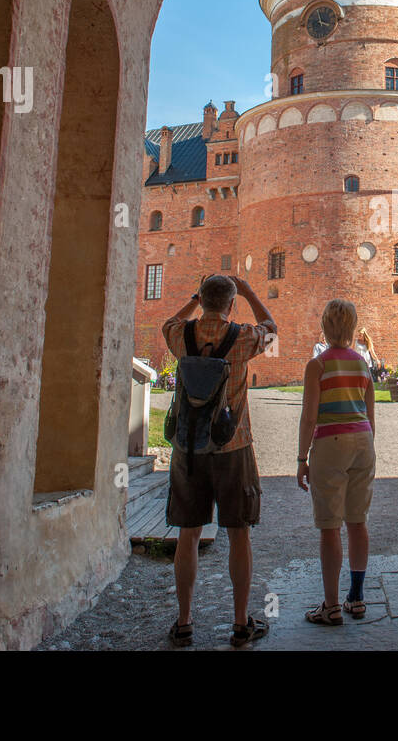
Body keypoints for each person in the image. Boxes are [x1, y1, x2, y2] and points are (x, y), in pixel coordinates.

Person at [162, 274, 277, 648]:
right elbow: (271, 329)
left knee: (188, 533)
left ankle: (183, 622)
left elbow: (169, 323)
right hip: (233, 447)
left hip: (189, 450)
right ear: (230, 304)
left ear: (202, 299)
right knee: (239, 534)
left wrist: (195, 300)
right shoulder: (242, 338)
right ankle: (241, 623)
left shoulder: (182, 336)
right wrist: (250, 292)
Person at [296, 299, 376, 625]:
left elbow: (308, 417)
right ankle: (356, 598)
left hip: (330, 444)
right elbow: (371, 416)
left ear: (324, 327)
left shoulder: (318, 365)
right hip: (363, 442)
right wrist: (368, 447)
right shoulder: (362, 364)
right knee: (357, 522)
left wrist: (302, 458)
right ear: (353, 327)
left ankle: (330, 606)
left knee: (330, 527)